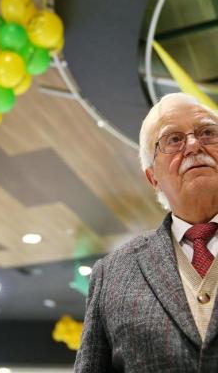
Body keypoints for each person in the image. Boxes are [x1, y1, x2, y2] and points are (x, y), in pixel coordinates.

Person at [74, 93, 218, 372]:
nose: (193, 145)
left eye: (208, 132)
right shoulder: (112, 273)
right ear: (153, 178)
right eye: (173, 140)